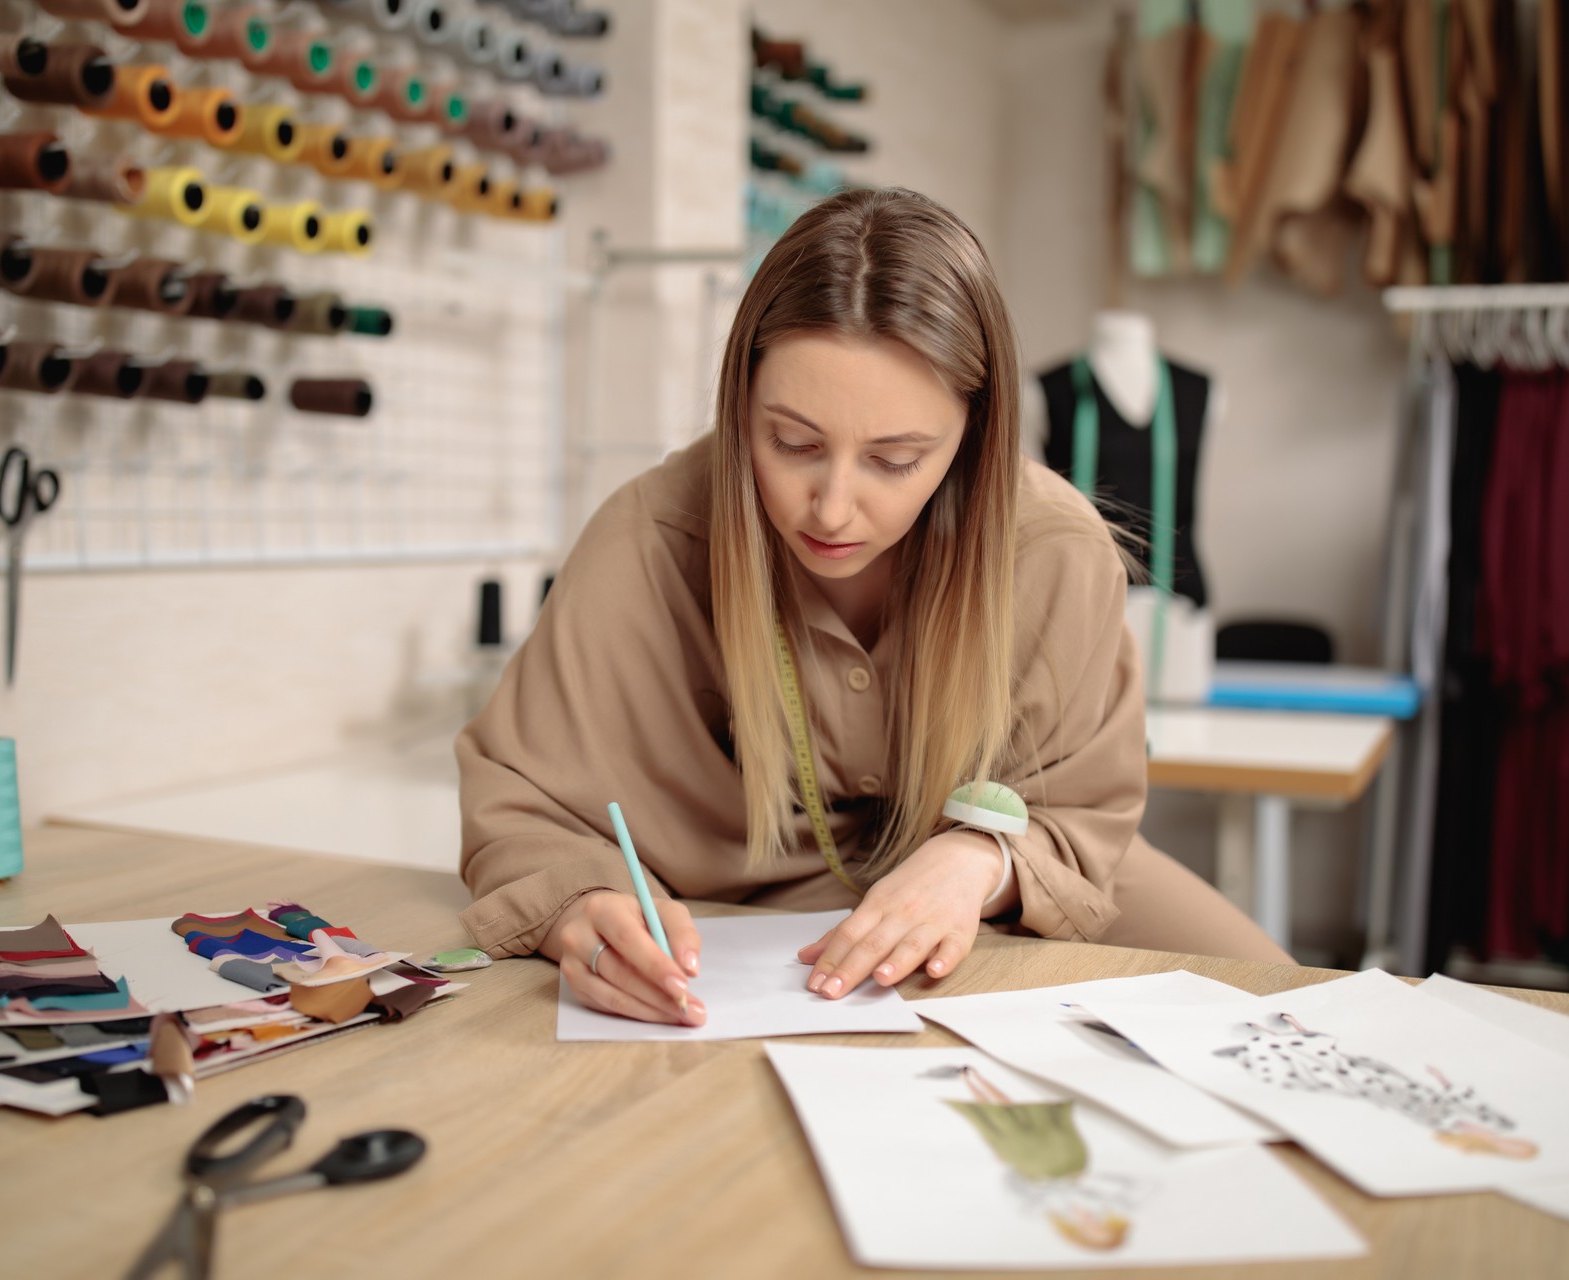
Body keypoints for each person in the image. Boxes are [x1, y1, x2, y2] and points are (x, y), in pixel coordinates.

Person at [457, 186, 1290, 1028]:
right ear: (740, 403)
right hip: (724, 921)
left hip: (1016, 889)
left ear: (974, 433)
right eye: (792, 444)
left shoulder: (1055, 552)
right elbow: (522, 800)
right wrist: (582, 907)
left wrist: (978, 861)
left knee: (1291, 1013)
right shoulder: (651, 539)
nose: (830, 509)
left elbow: (1081, 810)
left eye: (896, 458)